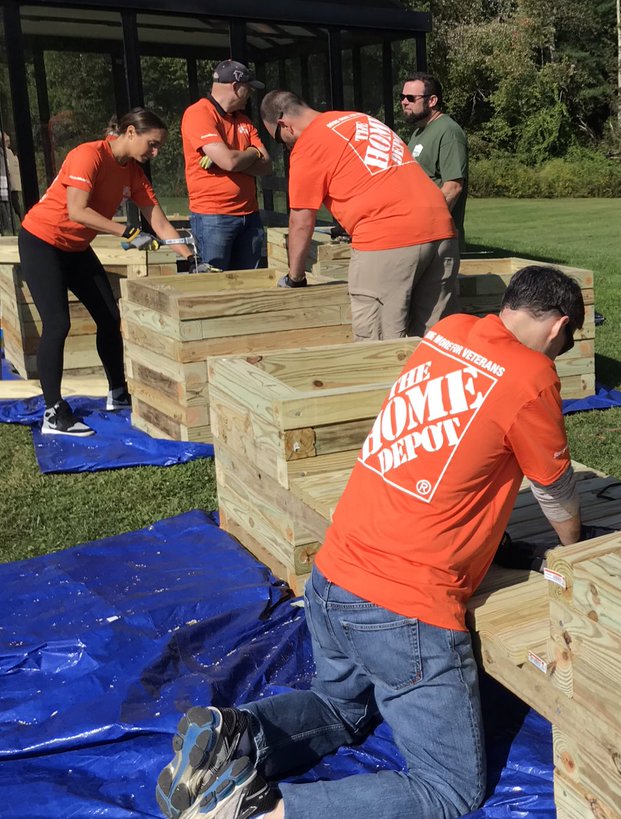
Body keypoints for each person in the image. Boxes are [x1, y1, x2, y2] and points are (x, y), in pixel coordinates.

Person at [156, 265, 585, 819]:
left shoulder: (452, 330)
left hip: (332, 579)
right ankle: (256, 811)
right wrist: (573, 547)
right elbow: (555, 492)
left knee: (340, 709)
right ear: (559, 329)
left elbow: (459, 447)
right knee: (449, 790)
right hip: (405, 609)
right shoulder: (532, 375)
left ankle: (231, 734)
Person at [19, 108, 197, 437]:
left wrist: (189, 259)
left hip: (75, 248)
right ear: (130, 132)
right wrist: (126, 232)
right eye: (152, 144)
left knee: (109, 316)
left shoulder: (133, 172)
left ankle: (118, 393)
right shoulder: (88, 155)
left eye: (158, 147)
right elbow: (77, 210)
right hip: (42, 241)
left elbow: (157, 220)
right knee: (58, 323)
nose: (155, 153)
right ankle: (53, 412)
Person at [260, 90, 458, 341]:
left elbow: (301, 220)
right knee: (435, 342)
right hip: (441, 228)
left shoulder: (309, 143)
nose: (286, 146)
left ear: (283, 125)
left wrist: (295, 277)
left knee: (380, 347)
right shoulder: (360, 120)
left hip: (387, 238)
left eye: (279, 140)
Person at [181, 59, 272, 271]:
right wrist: (249, 154)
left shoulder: (244, 121)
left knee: (251, 284)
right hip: (214, 216)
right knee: (213, 283)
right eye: (247, 89)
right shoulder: (199, 113)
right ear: (235, 87)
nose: (249, 94)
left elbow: (266, 165)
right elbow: (229, 162)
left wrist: (246, 154)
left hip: (250, 217)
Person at [402, 72, 468, 251]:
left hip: (436, 240)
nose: (404, 102)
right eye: (402, 97)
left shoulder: (449, 132)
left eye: (410, 97)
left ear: (432, 101)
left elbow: (453, 187)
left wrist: (426, 225)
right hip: (414, 237)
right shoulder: (418, 132)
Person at [1, 133, 21, 233]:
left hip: (8, 182)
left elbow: (8, 168)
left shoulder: (6, 152)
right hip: (11, 182)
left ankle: (9, 225)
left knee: (10, 203)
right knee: (13, 203)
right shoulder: (9, 152)